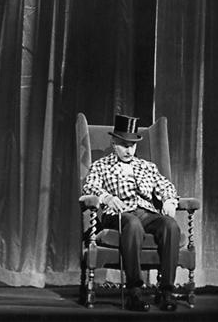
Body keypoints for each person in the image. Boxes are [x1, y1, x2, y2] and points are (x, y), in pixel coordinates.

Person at [82, 114, 180, 312]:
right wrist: (107, 198)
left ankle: (166, 291)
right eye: (124, 145)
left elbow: (166, 185)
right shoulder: (101, 166)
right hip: (118, 214)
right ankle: (134, 291)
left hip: (146, 213)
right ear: (114, 143)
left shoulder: (147, 167)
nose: (129, 150)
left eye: (132, 145)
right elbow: (89, 186)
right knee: (133, 225)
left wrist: (169, 200)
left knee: (170, 225)